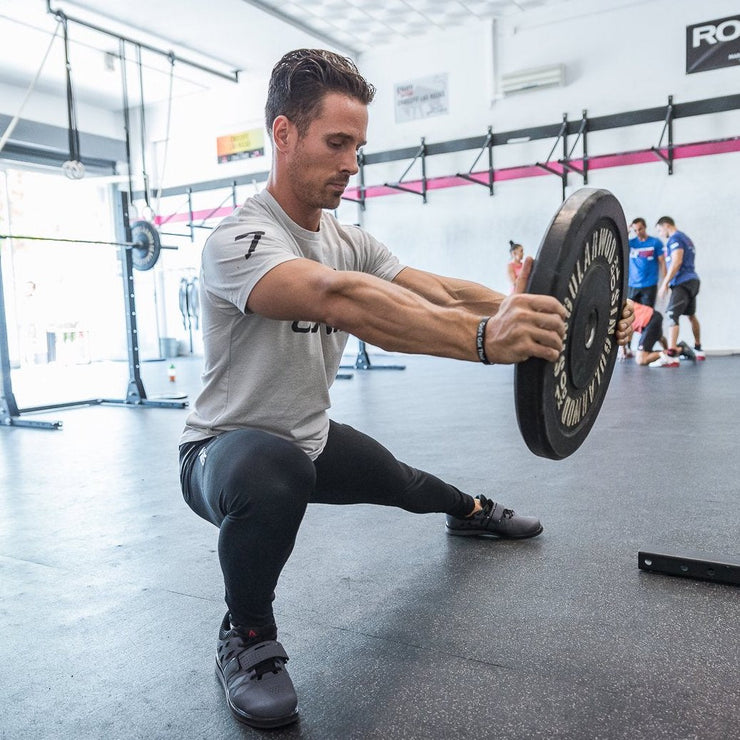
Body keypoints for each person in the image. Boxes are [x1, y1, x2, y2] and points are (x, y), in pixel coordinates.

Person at [178, 49, 634, 730]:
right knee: (273, 473)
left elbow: (442, 290)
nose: (351, 163)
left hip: (309, 438)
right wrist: (484, 341)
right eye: (337, 143)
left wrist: (552, 312)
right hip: (223, 455)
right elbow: (343, 299)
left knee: (406, 482)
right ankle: (246, 640)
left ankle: (471, 509)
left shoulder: (345, 237)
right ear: (283, 134)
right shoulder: (239, 240)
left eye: (358, 146)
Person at [652, 216, 705, 365]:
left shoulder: (675, 239)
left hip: (682, 282)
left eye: (659, 230)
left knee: (671, 315)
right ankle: (698, 348)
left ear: (666, 225)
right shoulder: (686, 238)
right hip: (692, 281)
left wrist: (665, 284)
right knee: (691, 315)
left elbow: (677, 261)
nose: (660, 234)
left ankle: (672, 355)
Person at [621, 217, 664, 359]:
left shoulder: (655, 243)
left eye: (640, 229)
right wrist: (626, 232)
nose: (638, 232)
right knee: (628, 317)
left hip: (649, 286)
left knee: (647, 320)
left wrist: (665, 283)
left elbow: (662, 263)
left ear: (645, 227)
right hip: (632, 286)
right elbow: (620, 246)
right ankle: (626, 349)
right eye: (635, 230)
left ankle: (646, 348)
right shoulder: (631, 243)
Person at [629, 301, 695, 367]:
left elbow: (626, 333)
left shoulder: (624, 305)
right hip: (655, 316)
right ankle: (677, 350)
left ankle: (672, 353)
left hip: (649, 320)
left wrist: (624, 349)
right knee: (660, 338)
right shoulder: (625, 301)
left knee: (641, 360)